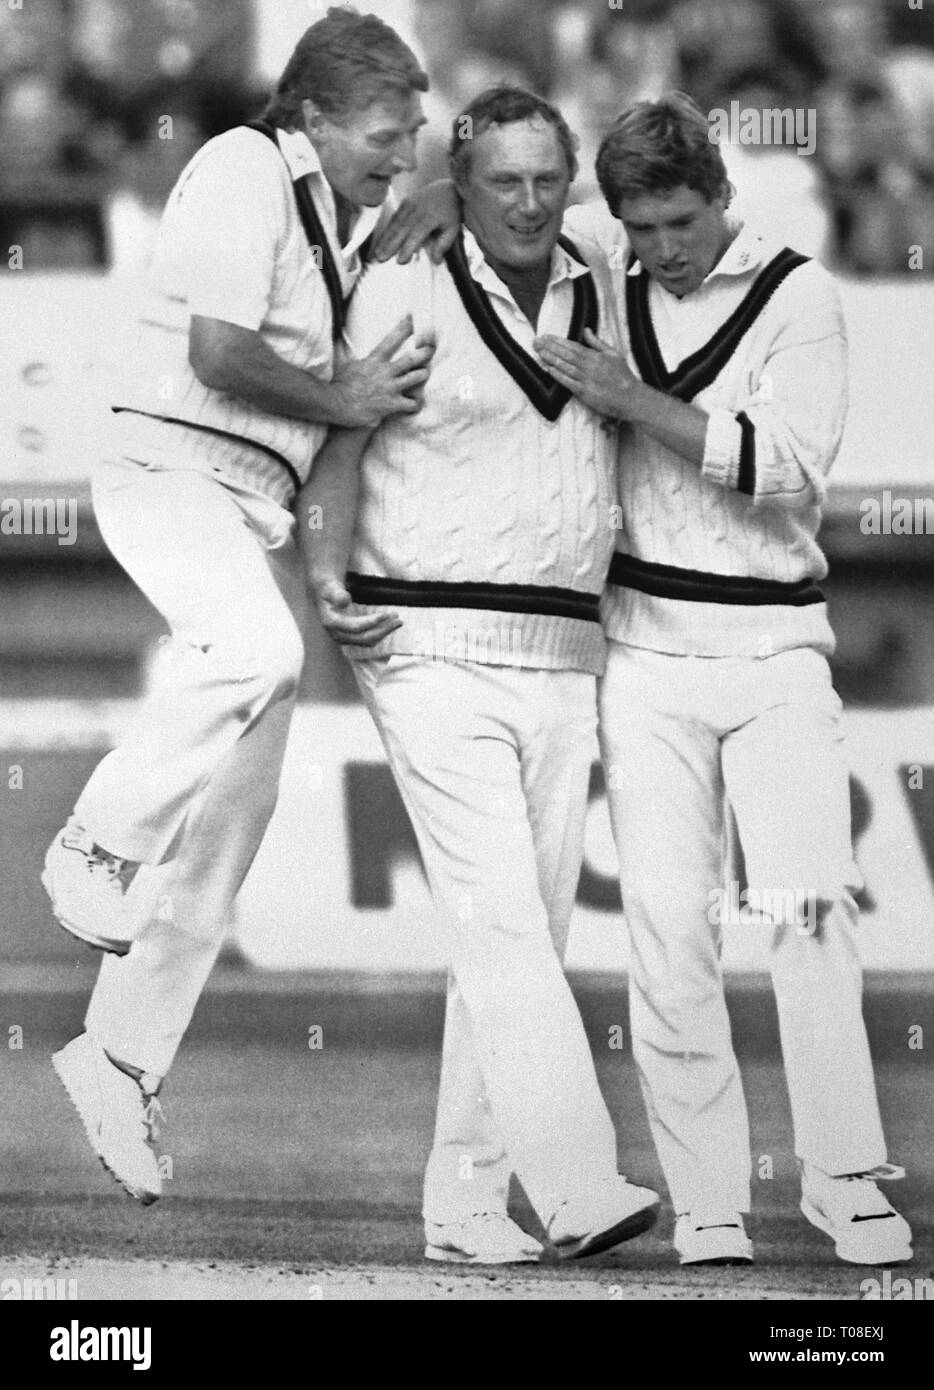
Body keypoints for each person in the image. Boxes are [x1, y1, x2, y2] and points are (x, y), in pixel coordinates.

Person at [41, 8, 433, 1205]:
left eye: (415, 135)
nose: (401, 155)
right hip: (165, 472)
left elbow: (324, 435)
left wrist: (325, 556)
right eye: (385, 132)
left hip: (247, 512)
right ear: (310, 116)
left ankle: (118, 1056)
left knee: (232, 827)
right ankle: (95, 843)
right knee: (251, 650)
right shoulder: (241, 167)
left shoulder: (344, 224)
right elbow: (218, 351)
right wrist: (342, 391)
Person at [533, 92, 913, 1268]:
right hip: (643, 653)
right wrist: (444, 187)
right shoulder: (607, 257)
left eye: (682, 219)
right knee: (663, 932)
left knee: (805, 912)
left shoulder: (798, 293)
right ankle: (706, 1196)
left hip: (774, 650)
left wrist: (627, 400)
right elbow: (516, 207)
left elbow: (784, 467)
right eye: (640, 227)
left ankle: (843, 1177)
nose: (662, 248)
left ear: (723, 196)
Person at [302, 86, 659, 1266]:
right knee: (503, 919)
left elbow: (679, 203)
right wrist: (326, 580)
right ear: (466, 182)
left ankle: (462, 1206)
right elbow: (341, 435)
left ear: (573, 183)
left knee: (514, 942)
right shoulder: (405, 280)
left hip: (564, 652)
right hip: (426, 641)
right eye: (495, 180)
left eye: (543, 179)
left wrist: (441, 191)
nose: (524, 201)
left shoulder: (604, 266)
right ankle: (575, 1183)